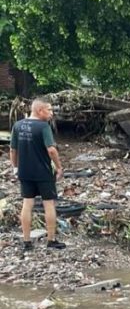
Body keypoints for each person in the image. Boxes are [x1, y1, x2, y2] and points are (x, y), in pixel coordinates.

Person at [9, 99, 65, 251]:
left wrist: (15, 167)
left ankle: (27, 242)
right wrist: (59, 167)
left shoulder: (18, 125)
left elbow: (13, 150)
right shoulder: (43, 126)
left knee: (27, 204)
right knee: (49, 204)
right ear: (40, 110)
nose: (51, 113)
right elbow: (51, 150)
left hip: (24, 172)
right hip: (43, 172)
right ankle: (51, 240)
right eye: (49, 110)